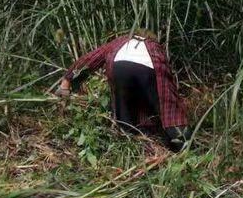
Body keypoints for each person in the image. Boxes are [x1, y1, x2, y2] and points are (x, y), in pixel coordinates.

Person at [57, 31, 190, 151]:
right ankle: (183, 144)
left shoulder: (120, 41)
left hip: (119, 66)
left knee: (124, 112)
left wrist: (68, 79)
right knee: (167, 107)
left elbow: (92, 58)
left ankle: (134, 146)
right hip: (148, 68)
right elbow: (166, 82)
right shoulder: (154, 46)